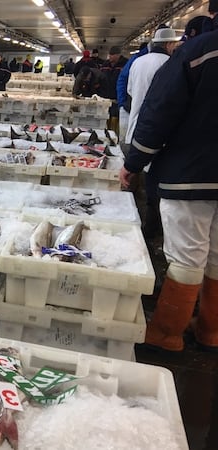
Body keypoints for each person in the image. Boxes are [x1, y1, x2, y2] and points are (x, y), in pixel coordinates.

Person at [118, 8, 218, 353]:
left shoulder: (198, 52)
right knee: (217, 255)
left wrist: (134, 161)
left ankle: (166, 334)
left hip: (192, 175)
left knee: (188, 255)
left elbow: (160, 112)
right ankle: (210, 332)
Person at [126, 28, 182, 245]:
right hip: (159, 132)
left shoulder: (138, 62)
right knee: (156, 181)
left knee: (134, 173)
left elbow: (131, 92)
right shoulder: (170, 64)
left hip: (137, 127)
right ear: (169, 45)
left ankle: (135, 213)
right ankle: (153, 228)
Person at [116, 42, 149, 145]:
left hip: (138, 106)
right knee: (127, 139)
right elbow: (123, 80)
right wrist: (122, 103)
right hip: (129, 105)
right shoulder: (136, 60)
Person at [100, 46, 128, 130]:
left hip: (119, 97)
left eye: (112, 55)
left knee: (117, 117)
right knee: (106, 117)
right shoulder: (105, 64)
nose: (110, 57)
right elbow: (101, 78)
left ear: (118, 55)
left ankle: (115, 135)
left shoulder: (125, 64)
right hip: (106, 96)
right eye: (109, 55)